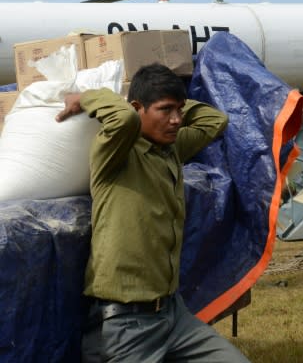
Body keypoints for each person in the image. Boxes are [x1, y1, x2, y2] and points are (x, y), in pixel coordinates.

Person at [56, 63, 249, 362]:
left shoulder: (170, 149)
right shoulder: (116, 153)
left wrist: (175, 98)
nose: (176, 120)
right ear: (137, 108)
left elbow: (215, 120)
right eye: (165, 110)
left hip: (173, 315)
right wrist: (87, 97)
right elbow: (121, 119)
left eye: (179, 110)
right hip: (127, 324)